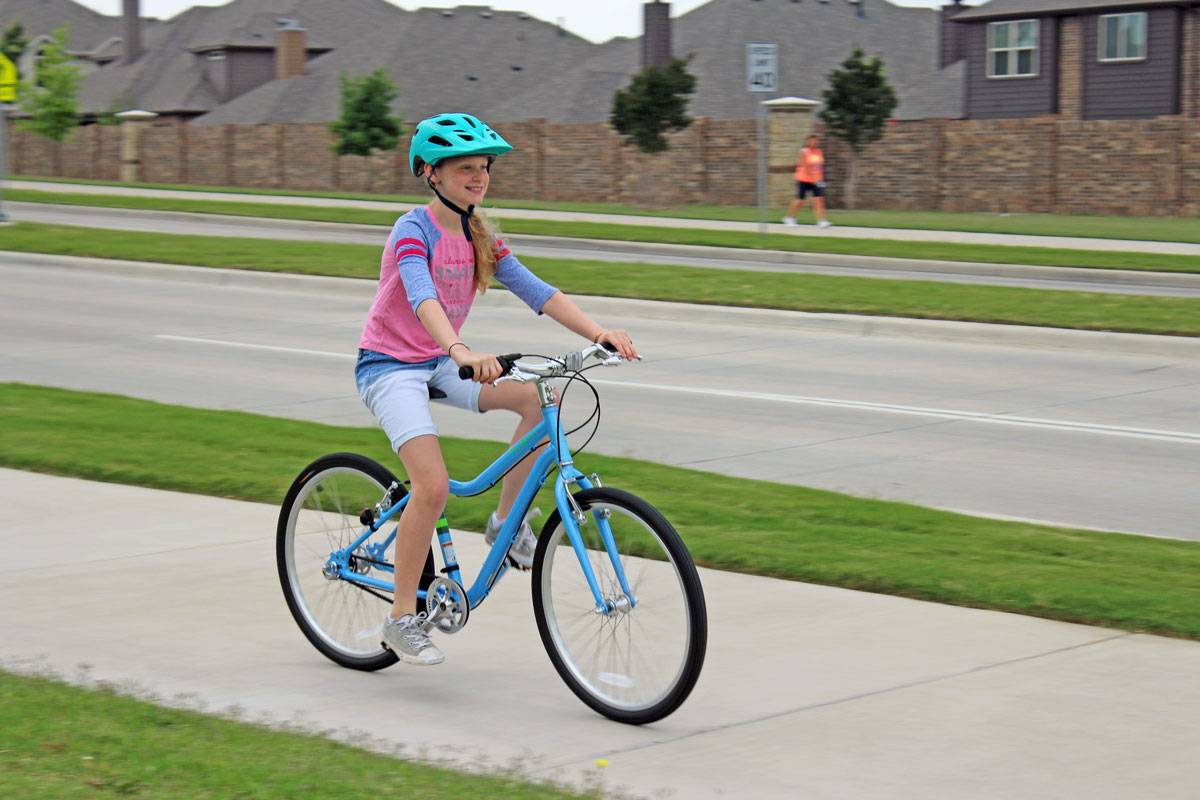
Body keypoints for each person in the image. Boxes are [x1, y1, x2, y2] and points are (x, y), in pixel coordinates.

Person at [355, 112, 638, 666]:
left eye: (483, 168)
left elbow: (538, 291)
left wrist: (599, 332)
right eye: (465, 168)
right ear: (431, 174)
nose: (478, 177)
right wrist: (460, 351)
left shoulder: (479, 234)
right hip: (390, 365)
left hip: (438, 360)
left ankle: (503, 525)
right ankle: (398, 621)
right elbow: (422, 296)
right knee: (432, 486)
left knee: (535, 400)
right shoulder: (412, 229)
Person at [782, 134, 832, 228]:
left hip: (817, 180)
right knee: (800, 200)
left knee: (819, 200)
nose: (814, 142)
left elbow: (820, 167)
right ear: (807, 142)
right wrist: (813, 178)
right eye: (812, 140)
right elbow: (805, 166)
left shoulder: (819, 152)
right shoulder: (803, 152)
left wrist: (821, 180)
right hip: (803, 179)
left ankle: (821, 221)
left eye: (816, 140)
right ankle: (789, 218)